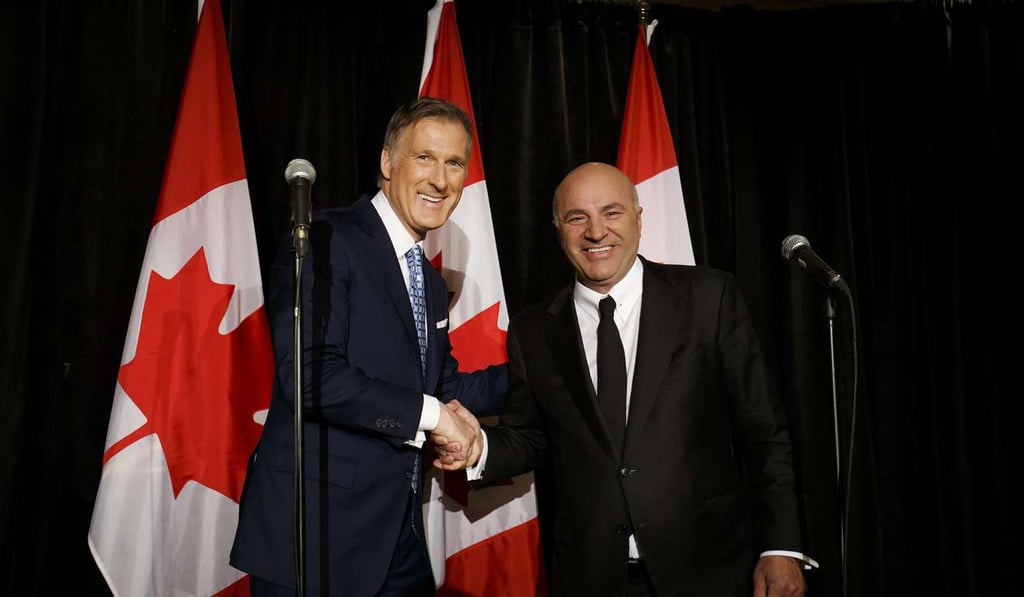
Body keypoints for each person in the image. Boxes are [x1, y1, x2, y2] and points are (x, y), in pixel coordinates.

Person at [441, 162, 815, 596]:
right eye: (577, 217)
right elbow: (531, 437)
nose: (596, 232)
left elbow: (764, 432)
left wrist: (781, 546)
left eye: (611, 212)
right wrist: (478, 446)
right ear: (558, 228)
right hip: (593, 574)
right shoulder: (534, 330)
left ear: (638, 219)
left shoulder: (709, 298)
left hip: (710, 567)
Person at [231, 97, 507, 597]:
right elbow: (310, 376)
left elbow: (442, 388)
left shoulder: (425, 274)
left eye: (454, 163)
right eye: (424, 157)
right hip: (316, 537)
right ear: (386, 162)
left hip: (394, 533)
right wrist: (434, 417)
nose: (440, 180)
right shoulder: (325, 238)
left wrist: (549, 370)